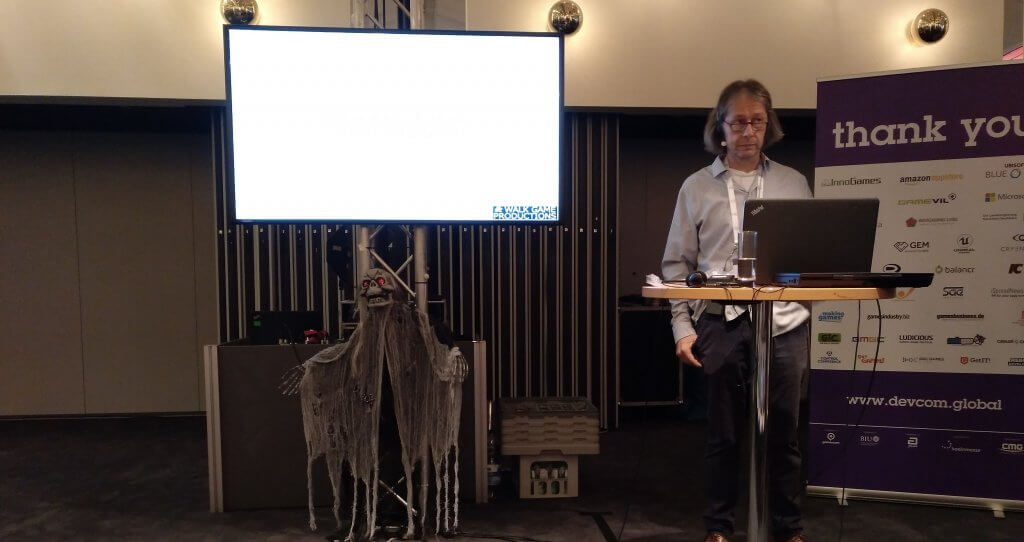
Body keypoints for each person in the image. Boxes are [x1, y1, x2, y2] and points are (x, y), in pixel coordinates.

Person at [662, 79, 812, 542]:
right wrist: (682, 328)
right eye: (739, 122)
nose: (748, 131)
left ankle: (788, 529)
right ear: (721, 127)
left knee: (785, 433)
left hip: (784, 323)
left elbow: (811, 257)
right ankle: (719, 528)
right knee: (723, 434)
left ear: (769, 126)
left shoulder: (793, 182)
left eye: (757, 122)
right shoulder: (695, 187)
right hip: (719, 321)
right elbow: (677, 267)